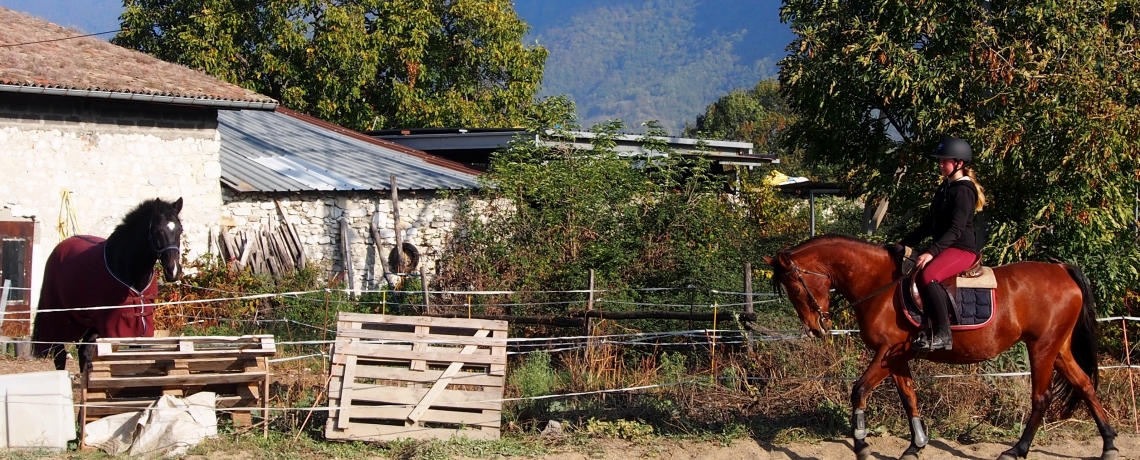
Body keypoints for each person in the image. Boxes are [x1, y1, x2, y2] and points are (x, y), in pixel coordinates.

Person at [899, 137, 986, 351]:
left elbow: (956, 229)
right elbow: (928, 224)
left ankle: (943, 334)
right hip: (946, 247)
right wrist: (901, 244)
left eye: (944, 161)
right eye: (940, 161)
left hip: (961, 249)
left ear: (959, 163)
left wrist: (931, 252)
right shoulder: (945, 188)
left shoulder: (963, 191)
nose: (940, 165)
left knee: (928, 276)